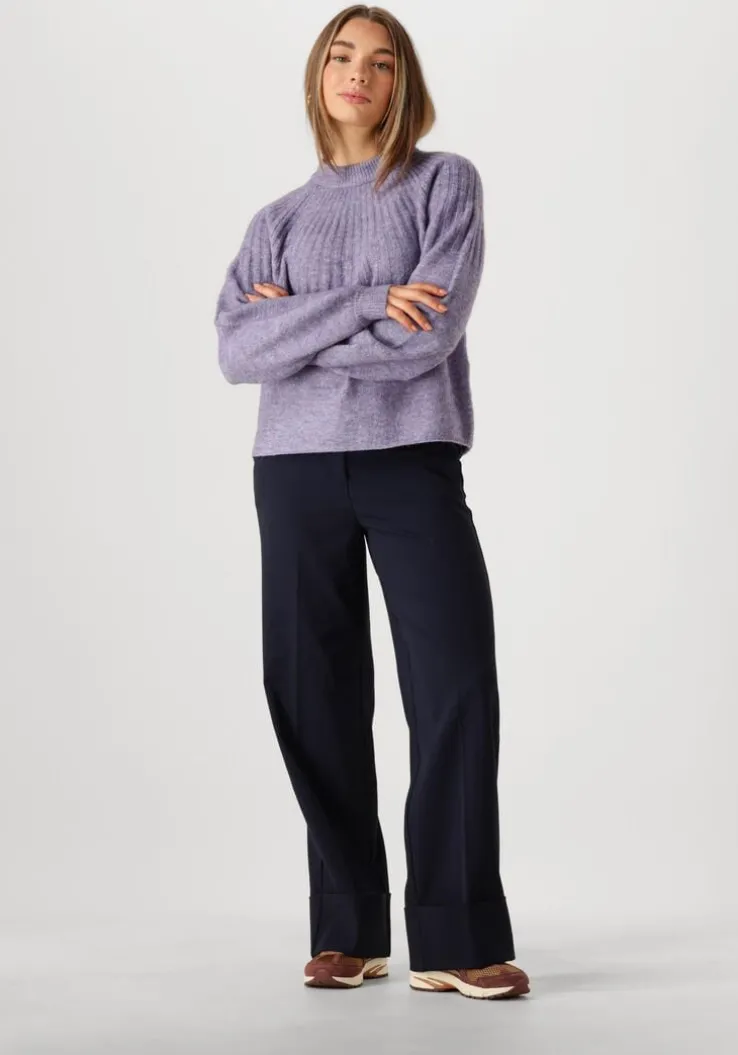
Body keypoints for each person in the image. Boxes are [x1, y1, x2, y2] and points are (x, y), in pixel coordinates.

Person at [213, 5, 530, 1001]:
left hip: (411, 456)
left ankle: (458, 936)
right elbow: (237, 350)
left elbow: (427, 337)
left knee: (454, 682)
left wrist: (296, 331)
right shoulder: (275, 221)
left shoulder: (444, 184)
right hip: (292, 467)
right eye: (343, 56)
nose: (360, 73)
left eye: (382, 61)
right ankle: (348, 929)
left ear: (403, 83)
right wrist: (360, 302)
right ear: (319, 75)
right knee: (311, 690)